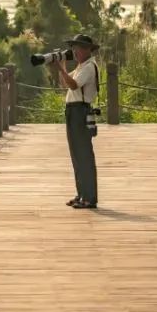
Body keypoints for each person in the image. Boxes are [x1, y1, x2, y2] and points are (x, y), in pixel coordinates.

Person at [55, 34, 100, 209]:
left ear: (88, 50)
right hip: (73, 111)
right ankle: (82, 194)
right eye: (74, 48)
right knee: (76, 155)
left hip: (80, 111)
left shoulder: (89, 67)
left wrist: (61, 68)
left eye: (79, 48)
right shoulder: (82, 66)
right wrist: (63, 66)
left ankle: (89, 198)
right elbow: (65, 83)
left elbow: (73, 85)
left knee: (84, 155)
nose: (76, 51)